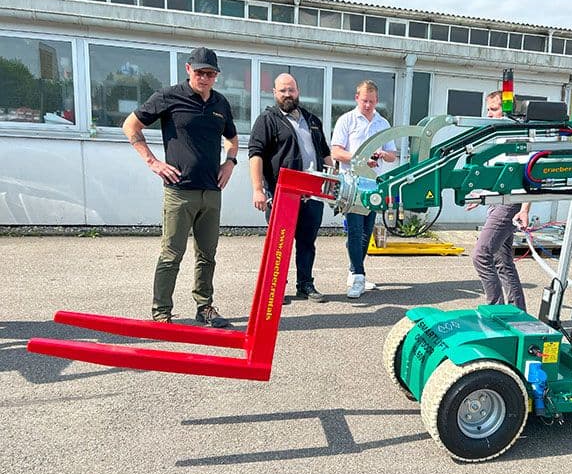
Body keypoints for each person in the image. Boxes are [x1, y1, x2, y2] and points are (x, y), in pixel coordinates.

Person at [122, 47, 238, 327]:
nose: (204, 78)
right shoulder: (169, 97)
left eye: (210, 73)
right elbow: (131, 126)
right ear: (188, 70)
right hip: (179, 191)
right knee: (171, 254)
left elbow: (232, 139)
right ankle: (161, 312)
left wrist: (230, 163)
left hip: (211, 191)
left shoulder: (220, 103)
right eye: (199, 72)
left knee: (207, 255)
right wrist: (153, 162)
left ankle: (205, 307)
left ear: (216, 75)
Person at [248, 73, 333, 303]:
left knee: (307, 242)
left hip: (312, 194)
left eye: (291, 90)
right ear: (274, 93)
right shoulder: (267, 120)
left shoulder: (312, 120)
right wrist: (258, 189)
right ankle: (276, 288)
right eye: (283, 90)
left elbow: (325, 153)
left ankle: (305, 285)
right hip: (282, 195)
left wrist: (333, 182)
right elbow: (255, 155)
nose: (288, 94)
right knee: (280, 244)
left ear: (298, 92)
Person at [331, 80, 397, 299]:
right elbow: (336, 152)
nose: (368, 105)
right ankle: (358, 276)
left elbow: (392, 155)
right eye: (364, 101)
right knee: (355, 230)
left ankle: (354, 272)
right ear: (356, 98)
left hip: (374, 184)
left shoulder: (382, 123)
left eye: (372, 101)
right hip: (352, 184)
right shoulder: (346, 120)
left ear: (377, 100)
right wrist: (360, 158)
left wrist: (382, 154)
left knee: (367, 232)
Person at [469, 90, 531, 310]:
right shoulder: (497, 136)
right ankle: (517, 311)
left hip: (510, 203)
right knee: (503, 262)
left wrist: (524, 209)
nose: (489, 114)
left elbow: (528, 176)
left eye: (493, 109)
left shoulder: (517, 137)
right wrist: (482, 195)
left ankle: (496, 309)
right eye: (488, 109)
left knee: (481, 255)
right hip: (497, 202)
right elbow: (496, 176)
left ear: (507, 111)